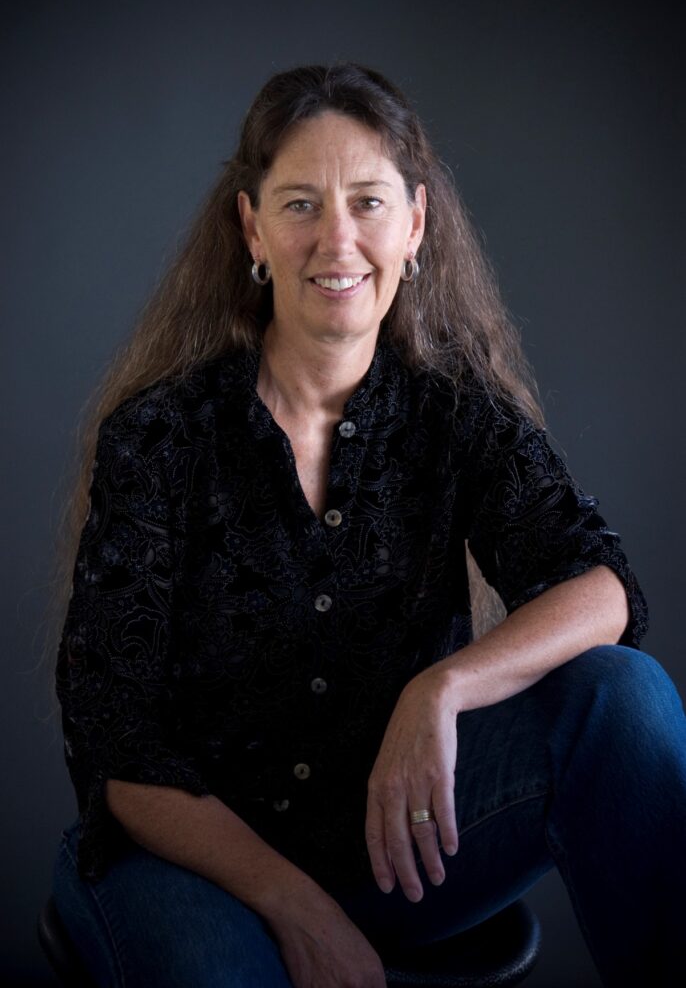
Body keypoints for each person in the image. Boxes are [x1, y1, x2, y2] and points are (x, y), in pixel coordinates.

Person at [52, 62, 685, 988]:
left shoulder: (454, 411)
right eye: (301, 204)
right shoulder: (159, 437)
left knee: (618, 697)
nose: (337, 241)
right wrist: (293, 903)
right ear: (252, 229)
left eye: (370, 203)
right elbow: (120, 743)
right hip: (189, 860)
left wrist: (443, 689)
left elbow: (603, 589)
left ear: (416, 225)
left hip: (392, 850)